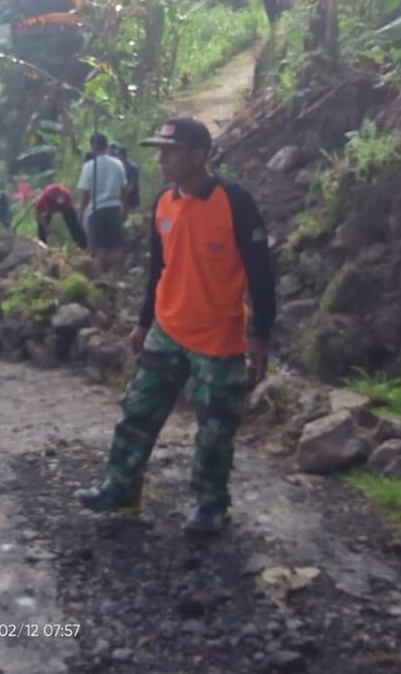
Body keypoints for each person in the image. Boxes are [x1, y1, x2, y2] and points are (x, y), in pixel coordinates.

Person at [76, 117, 276, 535]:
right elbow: (157, 268)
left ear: (199, 156)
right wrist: (143, 322)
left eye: (171, 150)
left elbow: (260, 271)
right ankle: (121, 486)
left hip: (218, 338)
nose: (162, 159)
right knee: (138, 411)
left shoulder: (234, 201)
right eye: (160, 150)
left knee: (216, 427)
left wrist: (260, 333)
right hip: (167, 329)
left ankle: (210, 504)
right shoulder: (164, 201)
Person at [77, 132, 127, 274]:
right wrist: (124, 206)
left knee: (98, 250)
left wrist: (81, 214)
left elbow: (85, 195)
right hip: (114, 208)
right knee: (116, 247)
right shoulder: (118, 164)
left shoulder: (88, 167)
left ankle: (100, 282)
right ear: (106, 146)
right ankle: (115, 279)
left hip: (97, 210)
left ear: (92, 147)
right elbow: (123, 188)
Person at [34, 183, 87, 249]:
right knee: (42, 227)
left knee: (74, 225)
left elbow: (72, 209)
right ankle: (42, 246)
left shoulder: (66, 195)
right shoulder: (44, 198)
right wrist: (45, 227)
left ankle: (83, 245)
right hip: (48, 209)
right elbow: (37, 212)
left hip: (64, 207)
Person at [110, 143, 140, 210]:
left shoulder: (132, 167)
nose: (119, 160)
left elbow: (131, 186)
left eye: (121, 158)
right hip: (120, 202)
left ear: (125, 156)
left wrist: (119, 198)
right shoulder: (117, 167)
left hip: (131, 202)